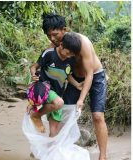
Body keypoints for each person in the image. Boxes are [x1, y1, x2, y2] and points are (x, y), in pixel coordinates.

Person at [42, 13, 108, 160]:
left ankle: (103, 156)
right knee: (64, 112)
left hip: (95, 76)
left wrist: (81, 99)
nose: (52, 39)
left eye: (55, 34)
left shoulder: (81, 42)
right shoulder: (55, 45)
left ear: (64, 30)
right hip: (74, 79)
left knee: (97, 116)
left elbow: (89, 74)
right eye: (49, 36)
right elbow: (47, 65)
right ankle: (58, 152)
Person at [29, 32, 83, 137]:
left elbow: (66, 75)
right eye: (68, 53)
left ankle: (47, 152)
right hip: (44, 88)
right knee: (59, 103)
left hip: (58, 93)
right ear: (61, 45)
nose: (69, 56)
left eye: (72, 54)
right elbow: (33, 67)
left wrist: (77, 85)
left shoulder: (71, 60)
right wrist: (33, 75)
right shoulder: (49, 54)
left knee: (54, 131)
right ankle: (36, 115)